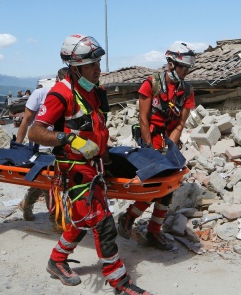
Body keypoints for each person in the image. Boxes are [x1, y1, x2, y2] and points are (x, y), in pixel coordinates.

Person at [28, 34, 150, 295]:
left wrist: (106, 161)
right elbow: (35, 132)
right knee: (103, 223)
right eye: (92, 64)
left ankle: (56, 260)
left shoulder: (97, 92)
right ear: (75, 67)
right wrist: (69, 137)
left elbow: (97, 128)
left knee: (85, 218)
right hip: (74, 170)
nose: (99, 69)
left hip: (96, 167)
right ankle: (119, 281)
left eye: (99, 63)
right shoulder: (60, 94)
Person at [117, 42, 196, 251]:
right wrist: (152, 151)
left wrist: (170, 148)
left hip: (170, 138)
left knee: (169, 185)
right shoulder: (151, 84)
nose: (186, 72)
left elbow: (180, 123)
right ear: (171, 64)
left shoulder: (187, 90)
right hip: (150, 137)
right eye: (183, 67)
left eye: (189, 68)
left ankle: (149, 227)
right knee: (157, 183)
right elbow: (143, 119)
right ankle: (134, 219)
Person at [17, 68, 68, 230]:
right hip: (42, 145)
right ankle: (55, 218)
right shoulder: (40, 94)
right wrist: (18, 146)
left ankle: (26, 203)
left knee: (46, 180)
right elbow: (26, 120)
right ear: (58, 81)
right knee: (50, 180)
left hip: (60, 144)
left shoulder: (72, 95)